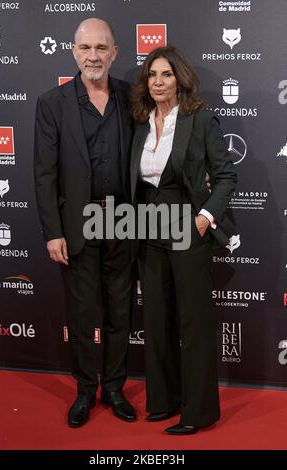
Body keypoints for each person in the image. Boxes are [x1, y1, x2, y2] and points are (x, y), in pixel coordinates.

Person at [34, 18, 136, 427]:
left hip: (125, 222)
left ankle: (114, 388)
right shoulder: (51, 103)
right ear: (73, 51)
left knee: (120, 312)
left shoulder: (133, 98)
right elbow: (44, 174)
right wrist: (53, 231)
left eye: (101, 48)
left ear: (115, 53)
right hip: (77, 226)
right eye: (85, 48)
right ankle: (83, 392)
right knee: (81, 314)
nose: (93, 55)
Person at [130, 46, 237, 435]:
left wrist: (204, 219)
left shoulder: (200, 119)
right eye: (152, 75)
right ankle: (164, 401)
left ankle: (198, 412)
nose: (158, 82)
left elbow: (225, 177)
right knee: (157, 321)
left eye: (166, 75)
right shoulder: (140, 122)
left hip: (188, 228)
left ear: (181, 79)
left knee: (193, 323)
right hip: (148, 230)